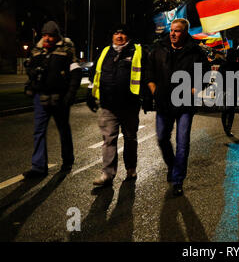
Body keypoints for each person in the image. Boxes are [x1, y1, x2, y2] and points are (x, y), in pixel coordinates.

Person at [145, 18, 209, 196]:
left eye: (178, 31)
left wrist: (195, 88)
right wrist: (154, 90)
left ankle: (177, 179)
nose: (173, 33)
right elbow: (149, 72)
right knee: (162, 138)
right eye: (172, 30)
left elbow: (205, 73)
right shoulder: (159, 48)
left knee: (182, 143)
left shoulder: (195, 52)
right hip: (164, 102)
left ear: (185, 32)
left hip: (185, 105)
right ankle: (172, 166)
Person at [86, 25, 148, 186]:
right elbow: (95, 73)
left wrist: (147, 97)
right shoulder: (106, 52)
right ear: (112, 36)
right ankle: (107, 173)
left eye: (122, 33)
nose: (119, 36)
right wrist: (90, 93)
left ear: (128, 36)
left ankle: (131, 168)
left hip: (129, 105)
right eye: (116, 33)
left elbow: (147, 75)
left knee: (130, 138)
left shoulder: (137, 52)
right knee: (108, 139)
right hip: (108, 104)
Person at [23, 21, 82, 178]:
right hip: (41, 97)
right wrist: (31, 85)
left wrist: (70, 94)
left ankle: (68, 159)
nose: (47, 38)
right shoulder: (37, 49)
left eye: (51, 36)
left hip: (60, 98)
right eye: (45, 35)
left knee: (63, 129)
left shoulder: (66, 47)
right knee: (39, 131)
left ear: (57, 36)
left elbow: (76, 71)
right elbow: (31, 71)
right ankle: (38, 167)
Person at [218, 48, 239, 137]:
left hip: (225, 90)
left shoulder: (223, 65)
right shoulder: (236, 65)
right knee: (231, 110)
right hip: (232, 91)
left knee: (225, 111)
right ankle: (228, 128)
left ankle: (226, 128)